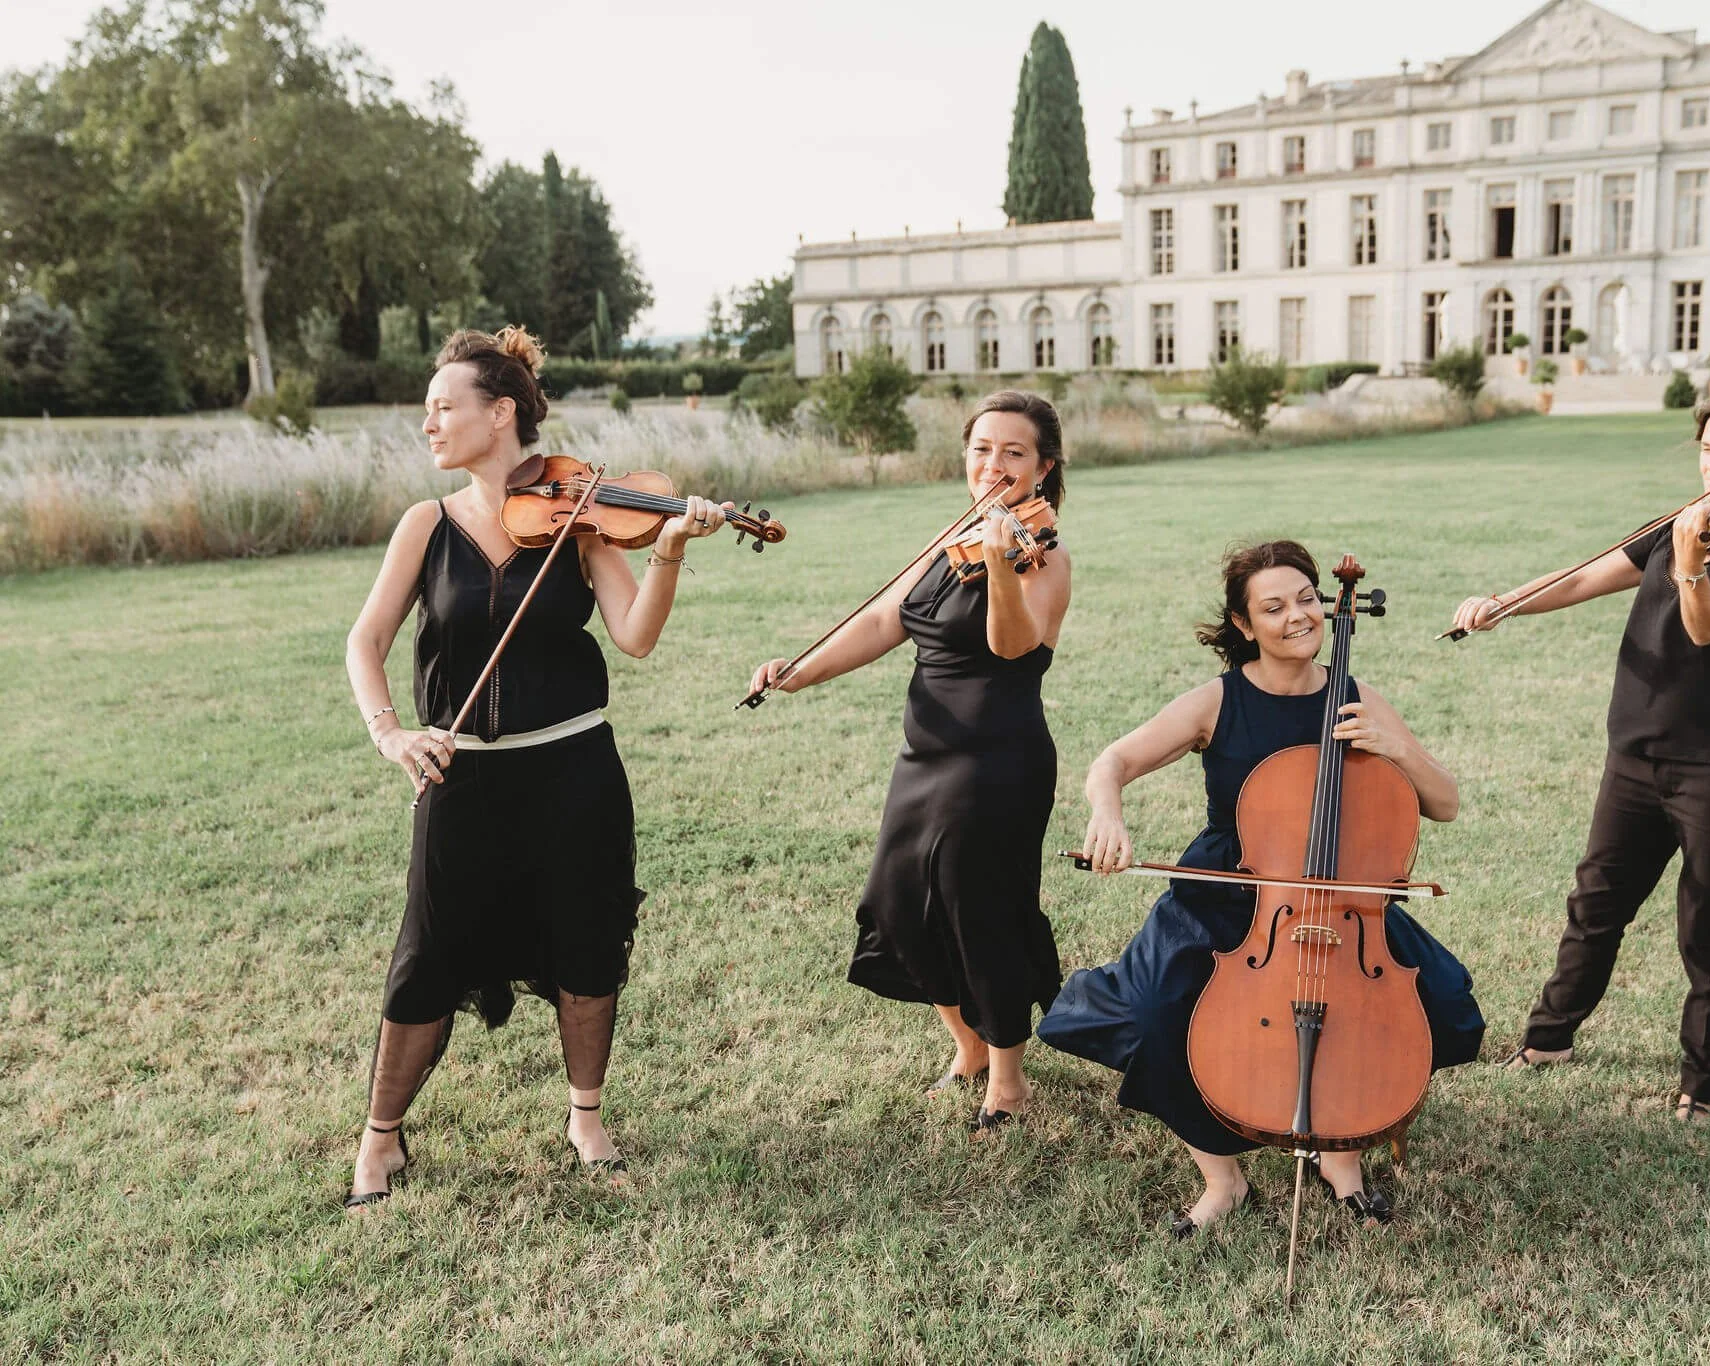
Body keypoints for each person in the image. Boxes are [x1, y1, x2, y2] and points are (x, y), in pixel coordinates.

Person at [342, 326, 731, 1209]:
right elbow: (365, 642)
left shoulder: (583, 517)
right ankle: (381, 1136)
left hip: (573, 774)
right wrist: (391, 733)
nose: (429, 424)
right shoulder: (426, 525)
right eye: (429, 409)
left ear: (500, 413)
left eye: (444, 407)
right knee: (426, 957)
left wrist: (669, 547)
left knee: (587, 945)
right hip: (462, 779)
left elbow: (635, 636)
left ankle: (586, 1117)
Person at [1038, 541, 1484, 1237]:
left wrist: (1394, 747)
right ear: (1244, 625)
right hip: (1231, 892)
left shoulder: (1356, 697)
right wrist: (1107, 813)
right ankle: (1223, 1180)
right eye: (1273, 608)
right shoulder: (1219, 700)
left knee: (1435, 1004)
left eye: (1306, 599)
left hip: (1342, 898)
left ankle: (1341, 1156)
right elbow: (1113, 762)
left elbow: (1445, 803)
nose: (1297, 616)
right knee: (1157, 1013)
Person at [1451, 383, 1710, 1120]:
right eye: (1707, 451)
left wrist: (1689, 563)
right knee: (1595, 904)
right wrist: (1505, 604)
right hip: (1637, 756)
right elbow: (1586, 578)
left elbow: (1708, 625)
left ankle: (1702, 1085)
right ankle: (1548, 1039)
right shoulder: (1686, 523)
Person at [746, 391, 1071, 1132]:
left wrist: (1000, 565)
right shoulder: (951, 537)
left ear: (1044, 468)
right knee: (895, 905)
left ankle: (1009, 1080)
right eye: (982, 448)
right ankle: (969, 1046)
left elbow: (1012, 647)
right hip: (925, 757)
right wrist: (798, 671)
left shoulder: (1043, 554)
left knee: (982, 913)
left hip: (996, 763)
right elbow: (880, 619)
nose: (994, 464)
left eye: (1014, 452)